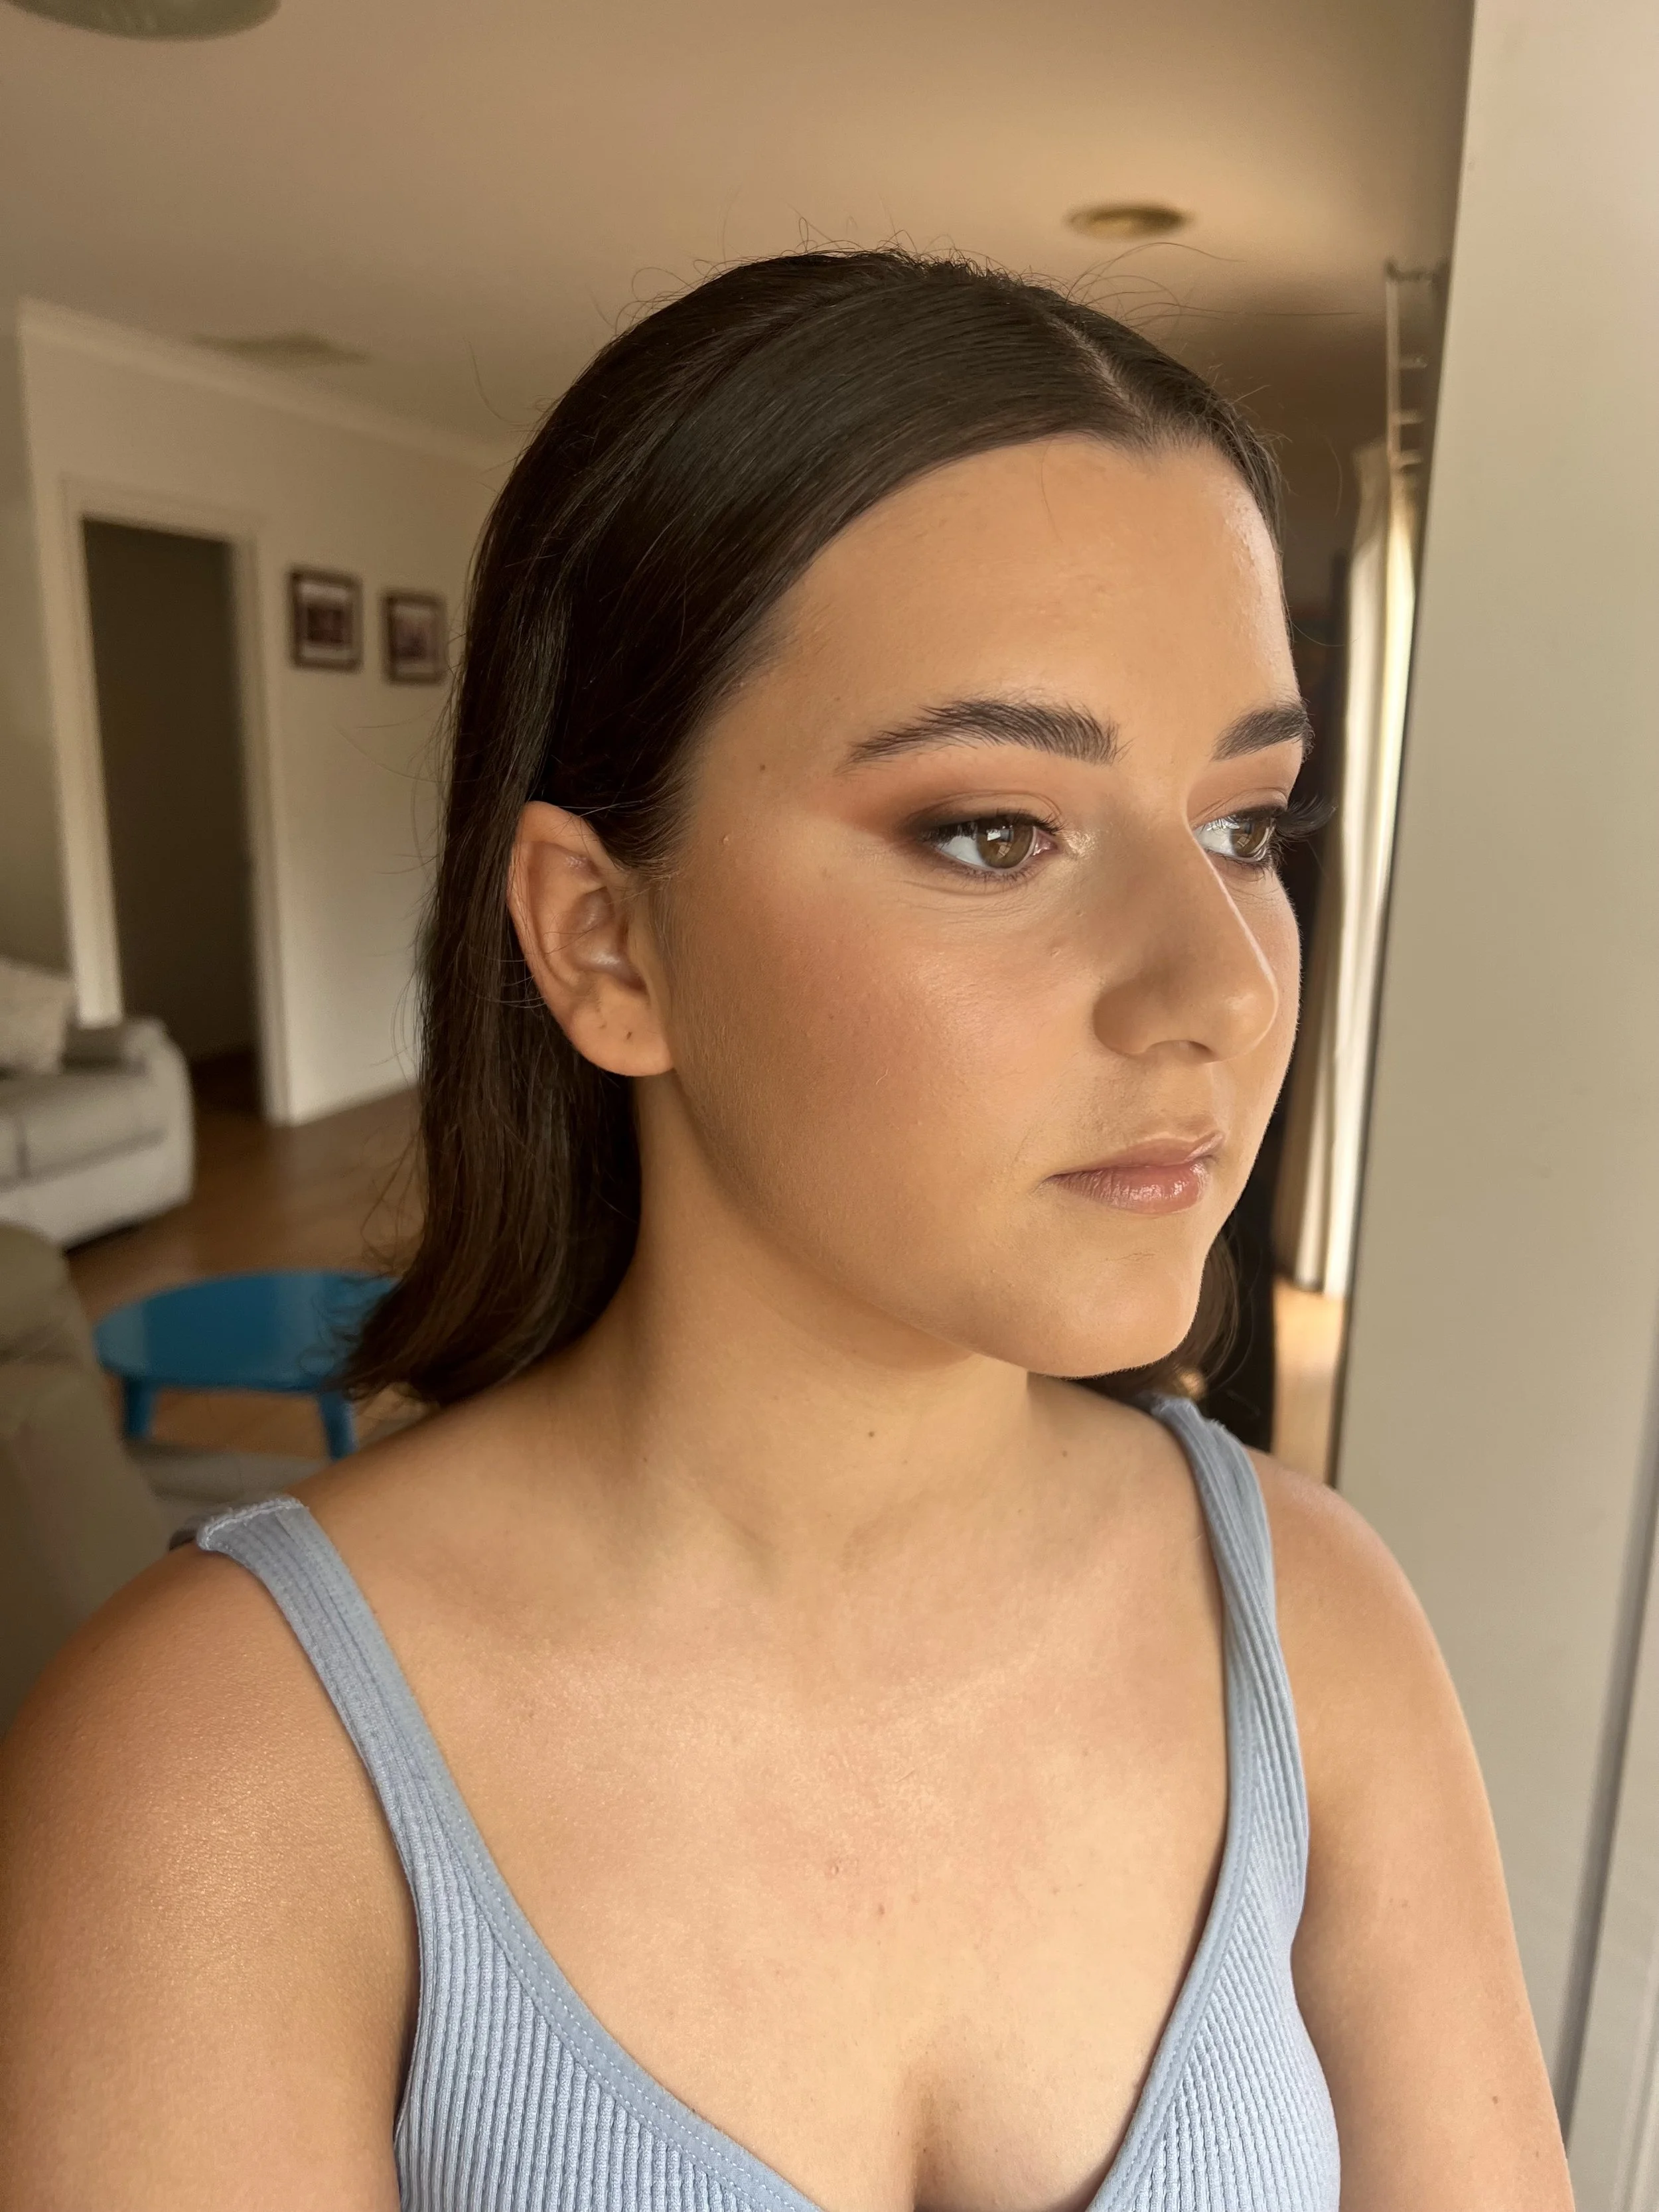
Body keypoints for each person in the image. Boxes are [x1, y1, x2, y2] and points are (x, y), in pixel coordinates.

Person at [0, 250, 1571, 2211]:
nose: (1224, 987)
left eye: (1246, 827)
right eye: (994, 830)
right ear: (604, 935)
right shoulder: (226, 1763)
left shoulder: (1316, 1626)